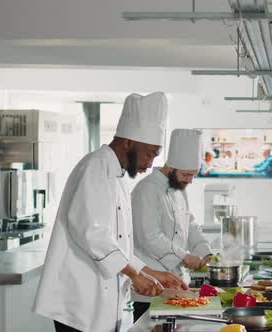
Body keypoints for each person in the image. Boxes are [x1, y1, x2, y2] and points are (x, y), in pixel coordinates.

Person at [33, 93, 187, 332]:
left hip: (97, 303)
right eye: (149, 154)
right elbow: (91, 233)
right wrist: (135, 274)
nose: (150, 164)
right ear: (128, 142)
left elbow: (116, 243)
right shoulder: (95, 167)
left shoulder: (117, 176)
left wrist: (148, 271)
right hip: (78, 303)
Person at [131, 129, 213, 321]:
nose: (190, 181)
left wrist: (205, 252)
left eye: (193, 175)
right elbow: (149, 237)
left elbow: (190, 225)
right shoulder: (146, 189)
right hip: (151, 288)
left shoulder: (179, 189)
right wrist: (185, 256)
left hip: (177, 286)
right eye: (186, 174)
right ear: (172, 166)